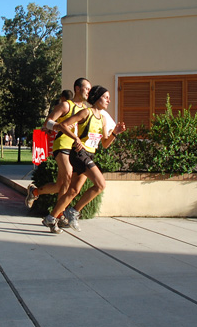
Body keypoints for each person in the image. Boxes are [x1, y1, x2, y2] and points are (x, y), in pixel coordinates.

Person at [42, 85, 126, 234]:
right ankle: (73, 212)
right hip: (80, 154)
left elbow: (105, 144)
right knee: (100, 184)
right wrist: (75, 138)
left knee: (73, 190)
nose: (109, 100)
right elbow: (63, 125)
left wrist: (115, 133)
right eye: (106, 97)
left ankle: (51, 217)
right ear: (97, 97)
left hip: (89, 154)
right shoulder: (86, 112)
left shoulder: (103, 119)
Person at [24, 78, 92, 216]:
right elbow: (47, 123)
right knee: (68, 175)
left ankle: (35, 191)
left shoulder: (86, 110)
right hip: (62, 144)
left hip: (75, 148)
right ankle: (59, 215)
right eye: (87, 88)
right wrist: (60, 126)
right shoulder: (66, 106)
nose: (89, 92)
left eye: (90, 90)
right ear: (77, 89)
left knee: (59, 185)